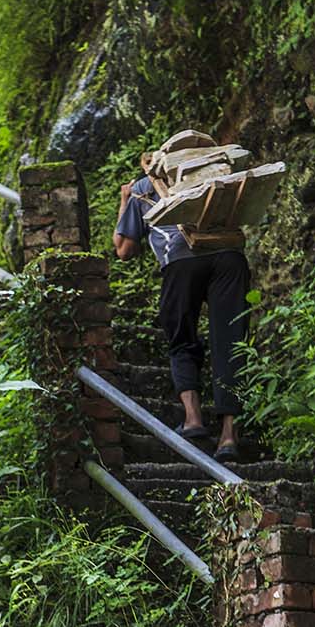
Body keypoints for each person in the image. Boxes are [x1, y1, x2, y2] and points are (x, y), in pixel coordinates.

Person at [114, 171, 252, 462]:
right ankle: (229, 436)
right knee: (232, 339)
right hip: (229, 256)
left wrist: (125, 200)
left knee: (181, 336)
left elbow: (124, 249)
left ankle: (193, 420)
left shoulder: (143, 187)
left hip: (180, 262)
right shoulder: (214, 174)